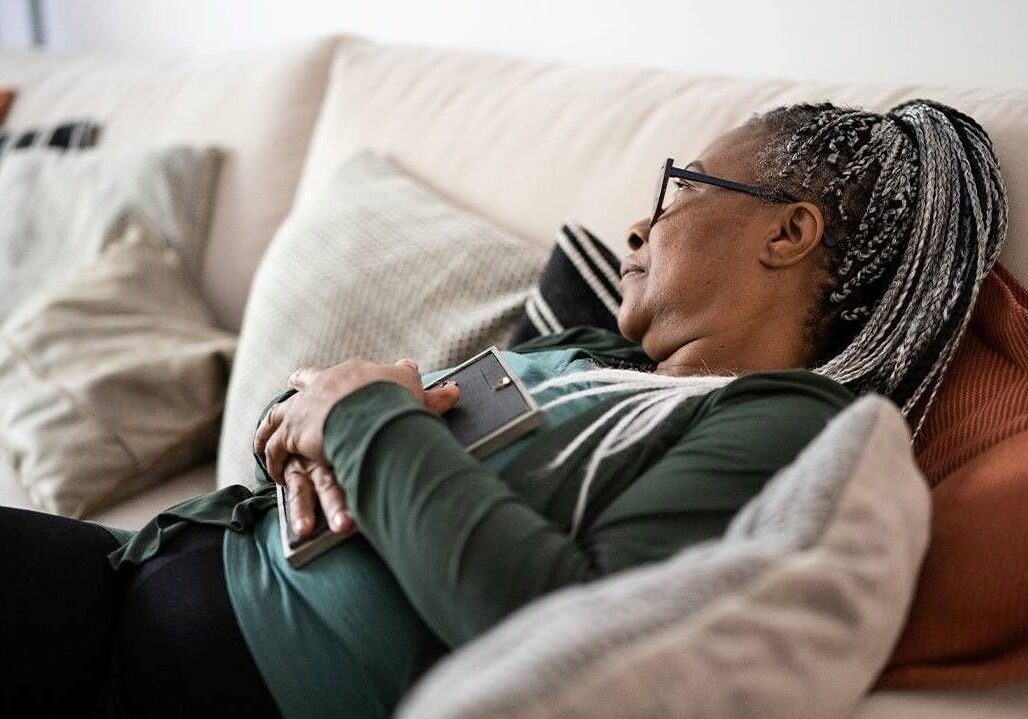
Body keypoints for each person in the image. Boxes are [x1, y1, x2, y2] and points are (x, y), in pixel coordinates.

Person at [0, 98, 1007, 718]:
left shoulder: (783, 425)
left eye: (677, 188)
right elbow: (372, 417)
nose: (636, 222)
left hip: (211, 679)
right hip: (135, 575)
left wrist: (355, 416)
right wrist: (302, 415)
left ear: (788, 232)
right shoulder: (585, 351)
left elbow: (555, 620)